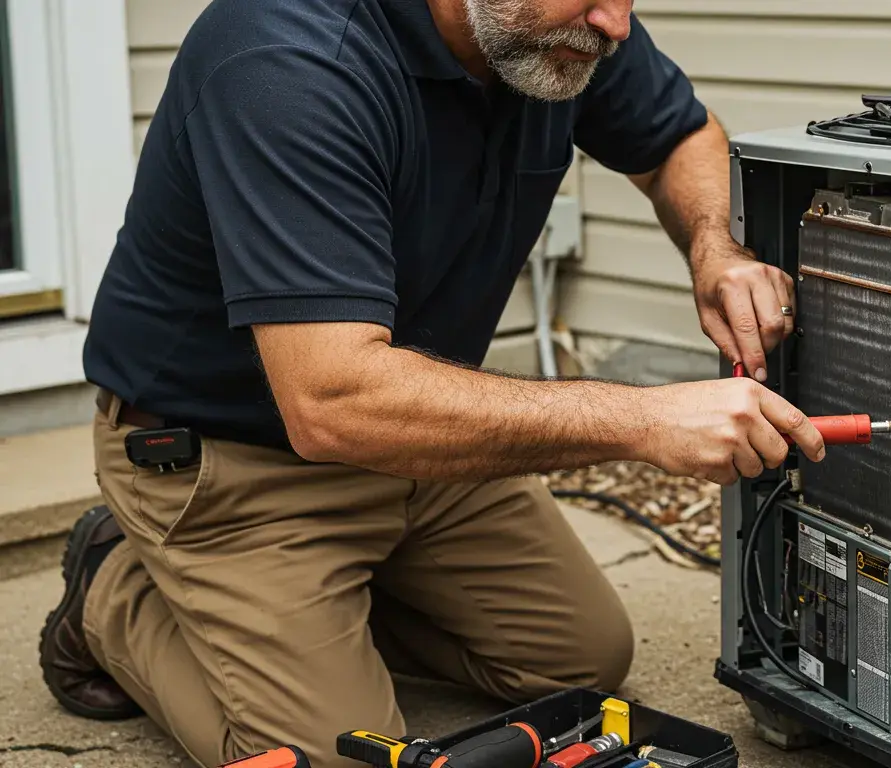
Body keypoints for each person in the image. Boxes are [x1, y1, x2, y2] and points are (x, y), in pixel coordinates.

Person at [37, 0, 826, 765]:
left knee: (582, 665)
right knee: (339, 758)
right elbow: (330, 403)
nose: (617, 23)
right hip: (237, 459)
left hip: (417, 432)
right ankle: (112, 589)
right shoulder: (285, 58)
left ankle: (317, 606)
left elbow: (678, 137)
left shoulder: (570, 31)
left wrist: (714, 247)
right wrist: (644, 422)